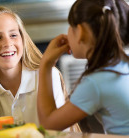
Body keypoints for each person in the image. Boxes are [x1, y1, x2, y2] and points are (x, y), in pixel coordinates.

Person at [37, 0, 129, 135]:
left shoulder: (96, 83)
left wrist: (45, 64)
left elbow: (49, 124)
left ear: (80, 31)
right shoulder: (123, 65)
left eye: (70, 26)